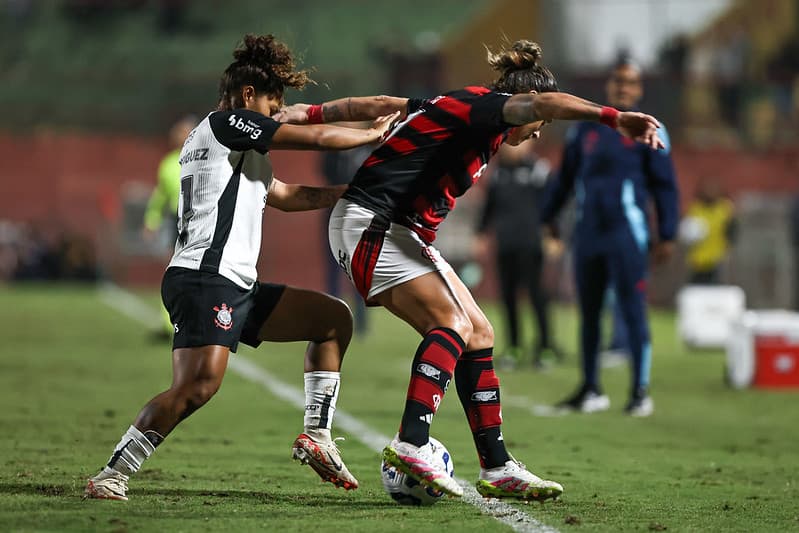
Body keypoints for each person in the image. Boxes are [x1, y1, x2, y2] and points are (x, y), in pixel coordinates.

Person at [279, 39, 665, 500]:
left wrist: (309, 112)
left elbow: (381, 103)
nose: (539, 132)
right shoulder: (489, 108)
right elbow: (544, 104)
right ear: (524, 103)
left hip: (393, 229)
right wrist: (613, 117)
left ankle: (497, 466)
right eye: (539, 123)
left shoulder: (462, 107)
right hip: (375, 224)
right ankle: (412, 442)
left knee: (479, 332)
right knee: (452, 324)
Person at [84, 34, 398, 501]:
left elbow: (286, 196)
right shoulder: (225, 123)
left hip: (232, 282)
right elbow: (310, 137)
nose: (276, 116)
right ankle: (112, 473)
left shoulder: (230, 147)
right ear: (247, 96)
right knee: (198, 386)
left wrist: (352, 195)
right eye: (272, 106)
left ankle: (317, 435)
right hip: (205, 277)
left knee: (332, 320)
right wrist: (371, 136)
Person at [541, 59, 679, 417]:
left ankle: (640, 391)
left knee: (633, 310)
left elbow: (665, 184)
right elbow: (565, 177)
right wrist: (548, 216)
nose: (623, 87)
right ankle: (590, 388)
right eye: (618, 81)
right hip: (588, 233)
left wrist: (667, 233)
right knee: (589, 312)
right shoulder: (586, 129)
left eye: (630, 82)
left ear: (639, 88)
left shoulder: (650, 127)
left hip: (626, 234)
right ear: (609, 85)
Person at [473, 140, 561, 369]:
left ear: (529, 145)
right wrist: (481, 234)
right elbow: (488, 207)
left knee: (537, 296)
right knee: (508, 297)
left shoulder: (539, 170)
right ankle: (514, 347)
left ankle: (545, 347)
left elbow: (553, 206)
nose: (512, 147)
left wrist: (553, 235)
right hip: (506, 244)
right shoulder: (497, 173)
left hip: (531, 244)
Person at [142, 115, 196, 339]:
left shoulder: (206, 157)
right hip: (178, 221)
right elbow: (160, 196)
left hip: (203, 219)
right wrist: (151, 220)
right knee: (174, 272)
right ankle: (169, 324)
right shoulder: (168, 163)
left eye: (182, 131)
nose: (177, 136)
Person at [680, 178, 736, 284]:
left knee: (717, 288)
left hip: (717, 259)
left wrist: (728, 247)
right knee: (696, 288)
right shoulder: (694, 208)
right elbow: (686, 231)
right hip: (697, 259)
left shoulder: (725, 209)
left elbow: (732, 231)